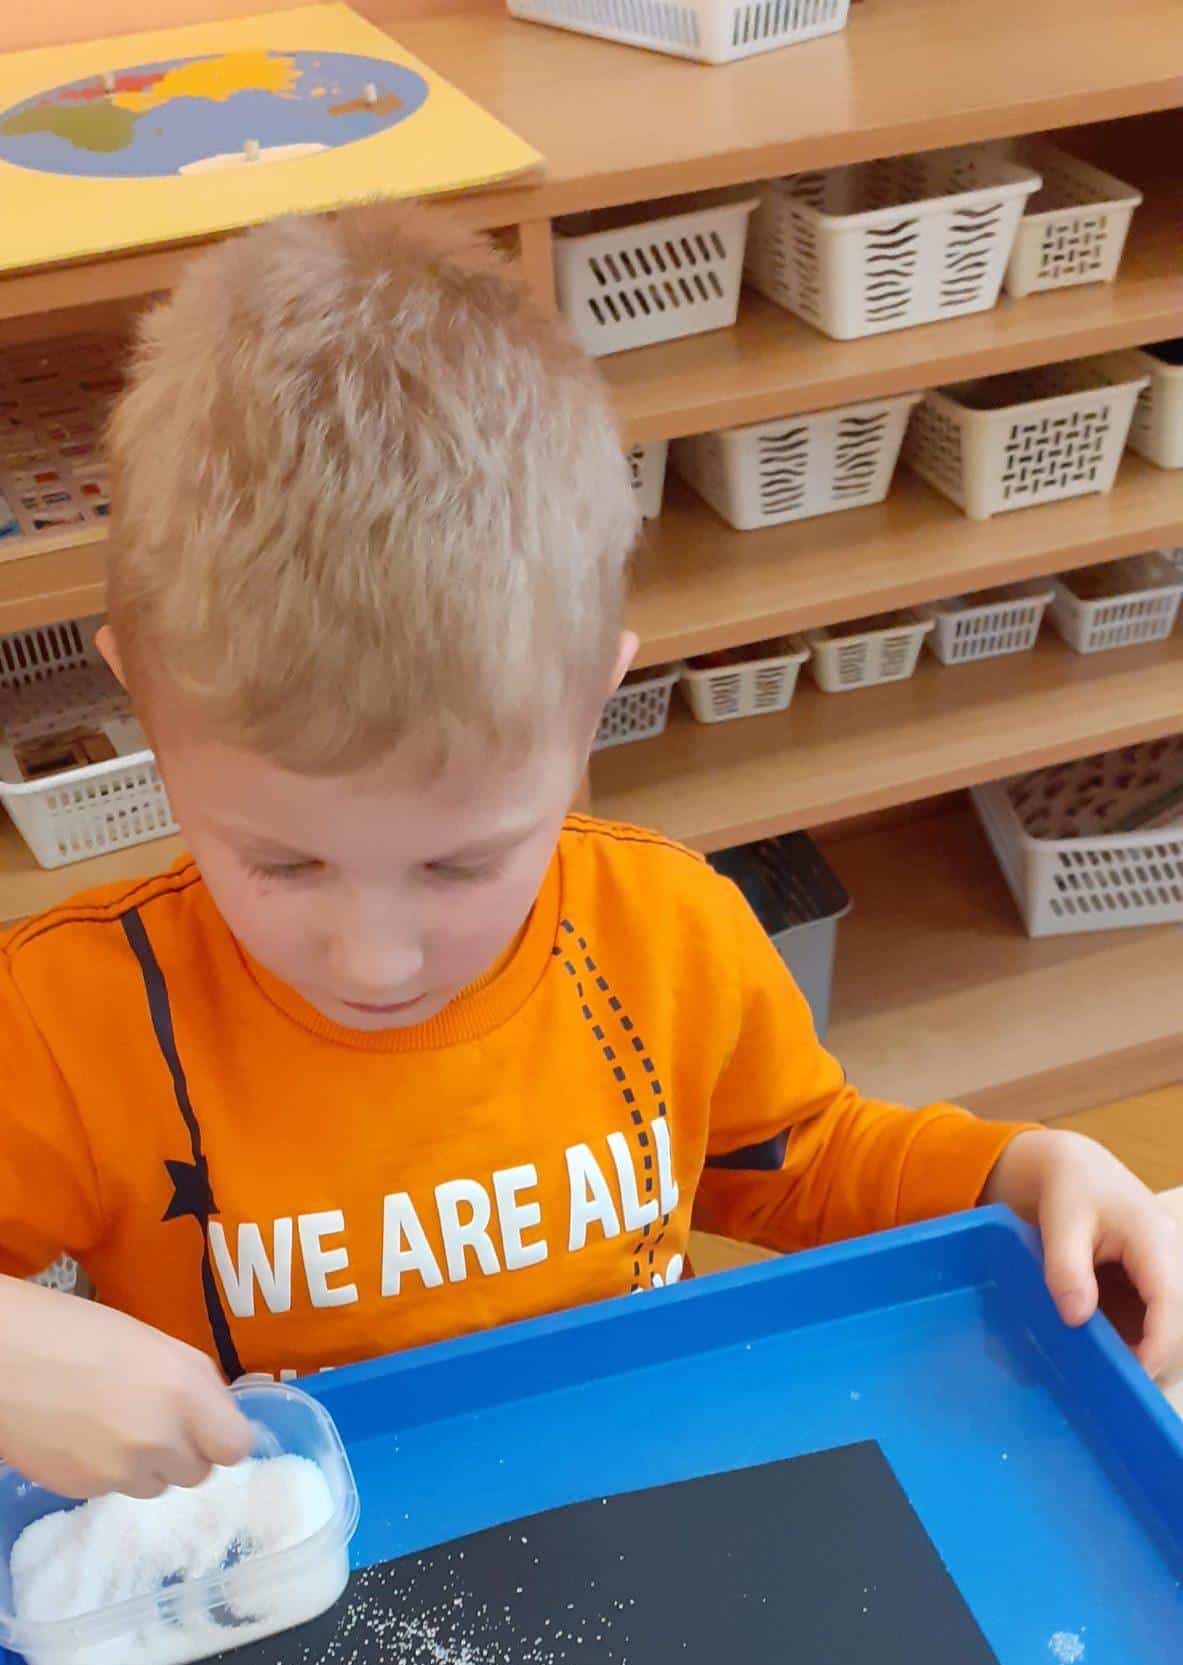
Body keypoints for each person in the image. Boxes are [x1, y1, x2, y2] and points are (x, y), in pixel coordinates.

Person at [0, 204, 1178, 1502]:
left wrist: (1017, 1174)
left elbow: (804, 1158)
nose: (376, 959)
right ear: (141, 702)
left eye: (460, 866)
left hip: (645, 1503)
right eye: (282, 865)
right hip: (286, 1570)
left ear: (593, 704)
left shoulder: (666, 931)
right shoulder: (66, 1022)